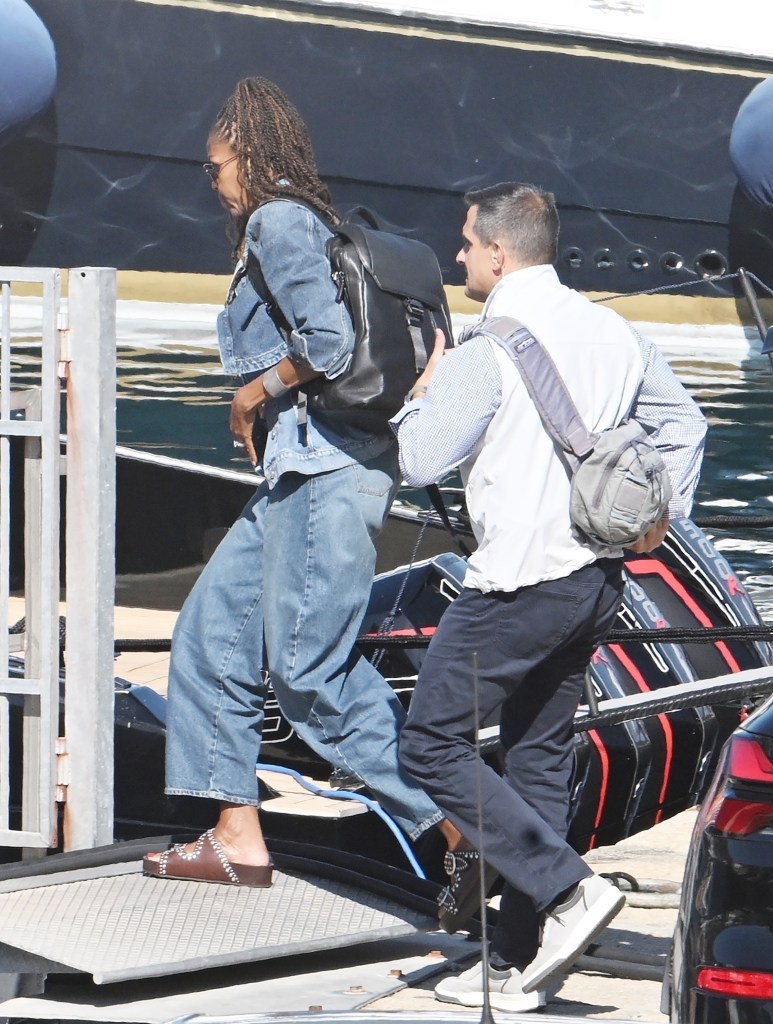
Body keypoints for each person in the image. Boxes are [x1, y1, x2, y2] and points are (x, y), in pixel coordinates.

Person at [390, 182, 707, 1012]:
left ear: (498, 253)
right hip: (595, 581)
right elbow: (685, 428)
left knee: (429, 744)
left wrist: (424, 389)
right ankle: (522, 961)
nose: (458, 255)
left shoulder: (484, 348)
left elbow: (420, 461)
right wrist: (653, 517)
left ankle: (568, 891)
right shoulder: (613, 330)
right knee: (536, 757)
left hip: (518, 582)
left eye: (465, 242)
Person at [143, 76, 464, 885]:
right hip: (299, 473)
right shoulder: (309, 219)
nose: (212, 183)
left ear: (247, 156)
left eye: (214, 166)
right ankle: (236, 837)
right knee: (210, 636)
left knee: (309, 672)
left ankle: (465, 828)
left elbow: (327, 339)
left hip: (327, 471)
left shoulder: (279, 220)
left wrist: (250, 393)